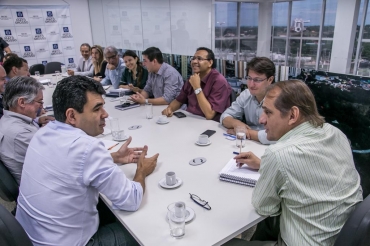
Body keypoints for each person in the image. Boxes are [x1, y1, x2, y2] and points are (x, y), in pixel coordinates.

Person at [16, 75, 159, 246]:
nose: (105, 114)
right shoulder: (87, 147)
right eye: (97, 109)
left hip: (31, 237)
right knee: (145, 231)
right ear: (72, 116)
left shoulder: (42, 133)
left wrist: (112, 157)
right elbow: (131, 199)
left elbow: (72, 163)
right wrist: (141, 170)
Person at [225, 80, 363, 246]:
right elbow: (314, 171)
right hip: (338, 234)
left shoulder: (279, 154)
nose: (262, 120)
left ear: (292, 115)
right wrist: (263, 164)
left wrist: (271, 167)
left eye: (268, 113)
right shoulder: (335, 133)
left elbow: (264, 208)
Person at [0, 77, 53, 185]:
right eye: (39, 102)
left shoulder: (7, 119)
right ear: (22, 102)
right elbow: (58, 159)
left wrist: (37, 120)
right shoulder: (20, 133)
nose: (42, 106)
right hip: (43, 185)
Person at [162, 47, 231, 121]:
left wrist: (197, 88)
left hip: (210, 125)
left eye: (199, 59)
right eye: (193, 58)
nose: (194, 61)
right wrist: (169, 109)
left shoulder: (219, 81)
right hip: (191, 120)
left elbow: (209, 115)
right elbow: (179, 101)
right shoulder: (193, 78)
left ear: (210, 63)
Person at [220, 57, 275, 145]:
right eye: (249, 78)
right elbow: (224, 116)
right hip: (249, 143)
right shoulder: (246, 94)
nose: (251, 84)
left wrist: (245, 133)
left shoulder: (279, 99)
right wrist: (236, 124)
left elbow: (278, 136)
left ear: (270, 80)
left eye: (257, 80)